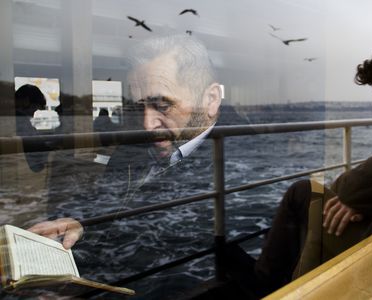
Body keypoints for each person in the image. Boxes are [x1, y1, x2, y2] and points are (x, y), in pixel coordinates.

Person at [225, 31, 372, 297]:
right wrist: (361, 200)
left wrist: (356, 200)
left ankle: (263, 284)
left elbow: (351, 186)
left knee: (303, 193)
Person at [28, 34, 225, 294]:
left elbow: (202, 276)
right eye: (139, 107)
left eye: (162, 105)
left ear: (210, 99)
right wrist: (78, 221)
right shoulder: (133, 148)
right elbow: (101, 197)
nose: (147, 124)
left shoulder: (241, 171)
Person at [15, 84, 49, 172]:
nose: (34, 114)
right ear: (26, 101)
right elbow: (36, 166)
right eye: (35, 109)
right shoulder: (21, 120)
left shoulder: (10, 117)